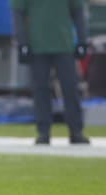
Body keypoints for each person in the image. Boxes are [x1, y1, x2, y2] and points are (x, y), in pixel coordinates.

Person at [10, 0, 91, 144]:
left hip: (64, 45)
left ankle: (76, 131)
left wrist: (82, 40)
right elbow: (17, 13)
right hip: (37, 45)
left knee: (70, 87)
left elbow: (78, 12)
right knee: (40, 89)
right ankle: (43, 132)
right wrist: (22, 42)